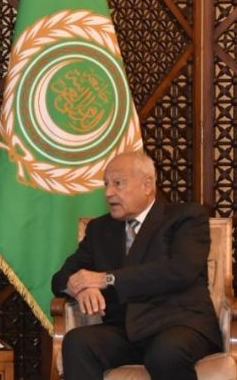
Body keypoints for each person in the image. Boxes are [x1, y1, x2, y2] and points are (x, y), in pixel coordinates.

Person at [51, 151, 222, 380]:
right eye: (106, 184)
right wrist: (80, 287)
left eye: (118, 183)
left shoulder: (185, 217)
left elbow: (180, 271)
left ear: (147, 185)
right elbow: (60, 277)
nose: (108, 192)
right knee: (78, 342)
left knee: (165, 352)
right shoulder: (100, 229)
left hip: (179, 325)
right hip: (125, 331)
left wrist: (105, 279)